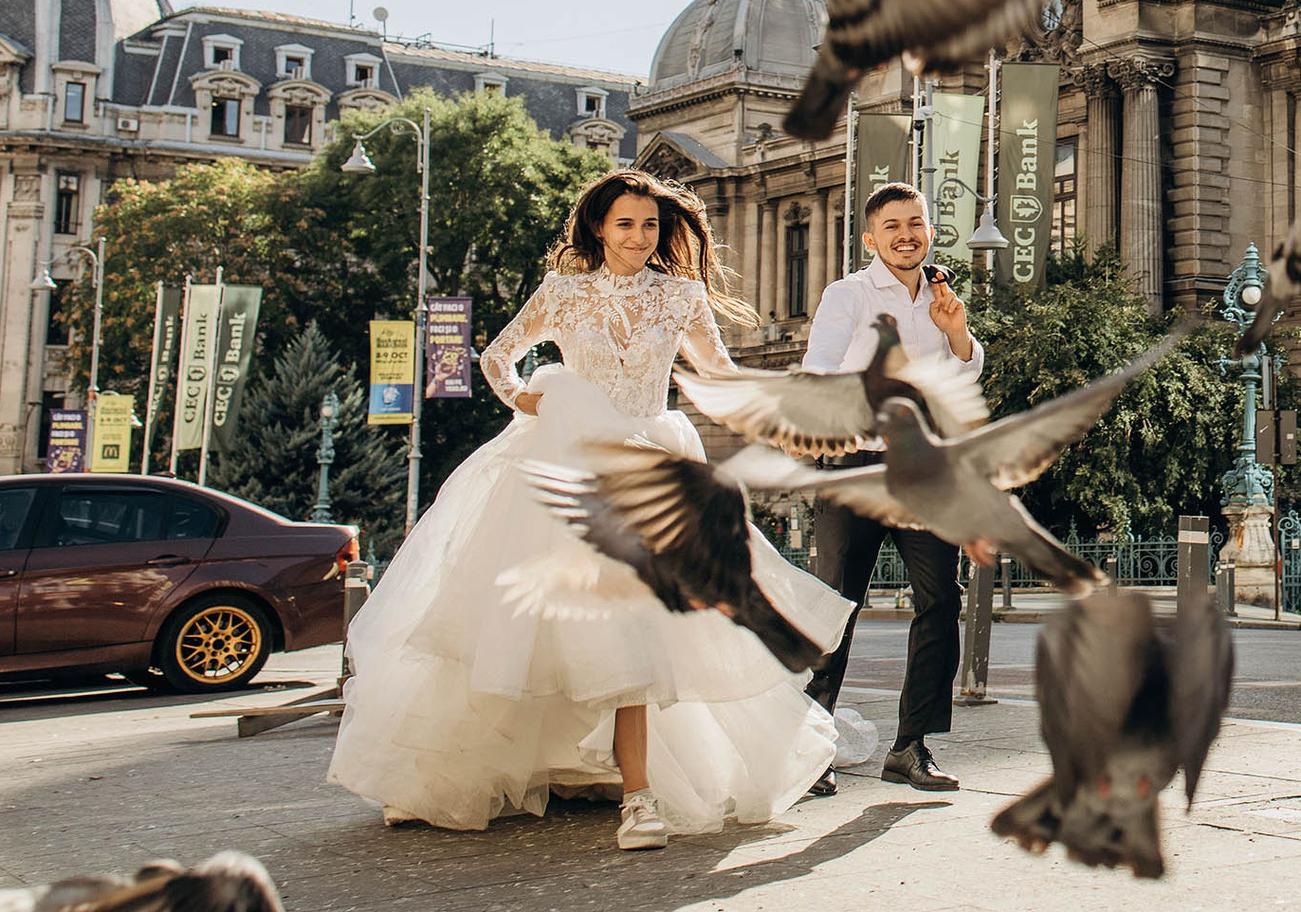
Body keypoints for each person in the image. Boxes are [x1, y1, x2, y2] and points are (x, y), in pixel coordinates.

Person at [328, 169, 851, 852]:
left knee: (635, 629)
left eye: (651, 225)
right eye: (625, 223)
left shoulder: (681, 296)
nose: (640, 236)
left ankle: (638, 795)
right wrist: (528, 401)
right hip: (563, 469)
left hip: (651, 468)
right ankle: (449, 774)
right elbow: (497, 357)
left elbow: (720, 375)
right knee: (514, 635)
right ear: (599, 228)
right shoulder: (563, 292)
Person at [799, 181, 984, 794]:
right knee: (837, 605)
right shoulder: (848, 294)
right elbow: (819, 371)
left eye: (916, 223)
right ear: (871, 238)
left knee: (941, 601)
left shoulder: (942, 296)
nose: (907, 235)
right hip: (855, 466)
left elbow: (962, 375)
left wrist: (956, 333)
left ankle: (911, 747)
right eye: (893, 226)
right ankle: (810, 748)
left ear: (930, 229)